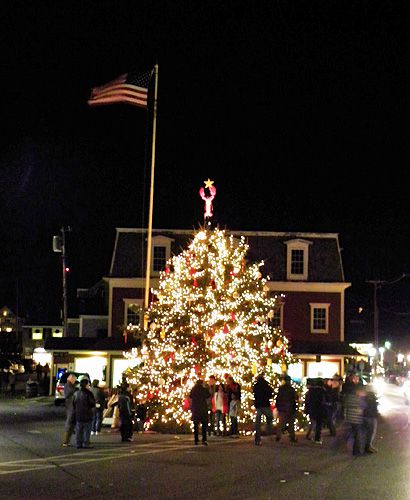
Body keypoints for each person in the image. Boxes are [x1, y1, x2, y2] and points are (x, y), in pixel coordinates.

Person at [72, 378, 96, 449]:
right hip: (87, 414)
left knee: (79, 429)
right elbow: (92, 403)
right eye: (88, 384)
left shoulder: (76, 393)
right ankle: (86, 443)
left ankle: (78, 443)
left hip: (78, 414)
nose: (89, 386)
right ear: (86, 385)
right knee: (87, 430)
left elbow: (73, 403)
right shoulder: (88, 393)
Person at [275, 375, 298, 443]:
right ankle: (292, 436)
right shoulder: (291, 389)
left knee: (281, 423)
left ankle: (278, 436)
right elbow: (295, 397)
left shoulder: (281, 389)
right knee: (291, 424)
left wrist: (278, 406)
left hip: (282, 408)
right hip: (290, 408)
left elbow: (278, 398)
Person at [253, 374, 274, 446]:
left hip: (259, 405)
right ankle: (269, 432)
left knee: (258, 423)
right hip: (266, 405)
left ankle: (257, 439)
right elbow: (271, 393)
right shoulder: (266, 385)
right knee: (270, 418)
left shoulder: (256, 386)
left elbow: (255, 394)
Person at [189, 378, 211, 445]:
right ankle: (204, 439)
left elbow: (190, 396)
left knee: (196, 425)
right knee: (204, 425)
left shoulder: (193, 389)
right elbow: (208, 395)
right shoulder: (204, 389)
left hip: (195, 409)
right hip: (203, 408)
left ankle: (196, 439)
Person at [305, 378, 325, 444]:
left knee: (312, 422)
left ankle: (309, 435)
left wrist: (307, 409)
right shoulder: (322, 391)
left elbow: (307, 401)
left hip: (312, 409)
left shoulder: (310, 391)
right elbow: (325, 400)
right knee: (318, 425)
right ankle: (317, 438)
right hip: (320, 409)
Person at [62, 373, 78, 447]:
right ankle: (66, 441)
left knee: (71, 424)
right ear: (71, 379)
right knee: (69, 423)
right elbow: (69, 393)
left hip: (70, 406)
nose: (75, 381)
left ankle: (67, 441)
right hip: (70, 406)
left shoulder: (69, 385)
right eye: (74, 379)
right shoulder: (68, 385)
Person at [363, 384, 378, 453]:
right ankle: (368, 446)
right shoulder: (371, 396)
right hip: (371, 416)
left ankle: (367, 446)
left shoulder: (364, 396)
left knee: (367, 432)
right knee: (371, 432)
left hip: (366, 416)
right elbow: (372, 407)